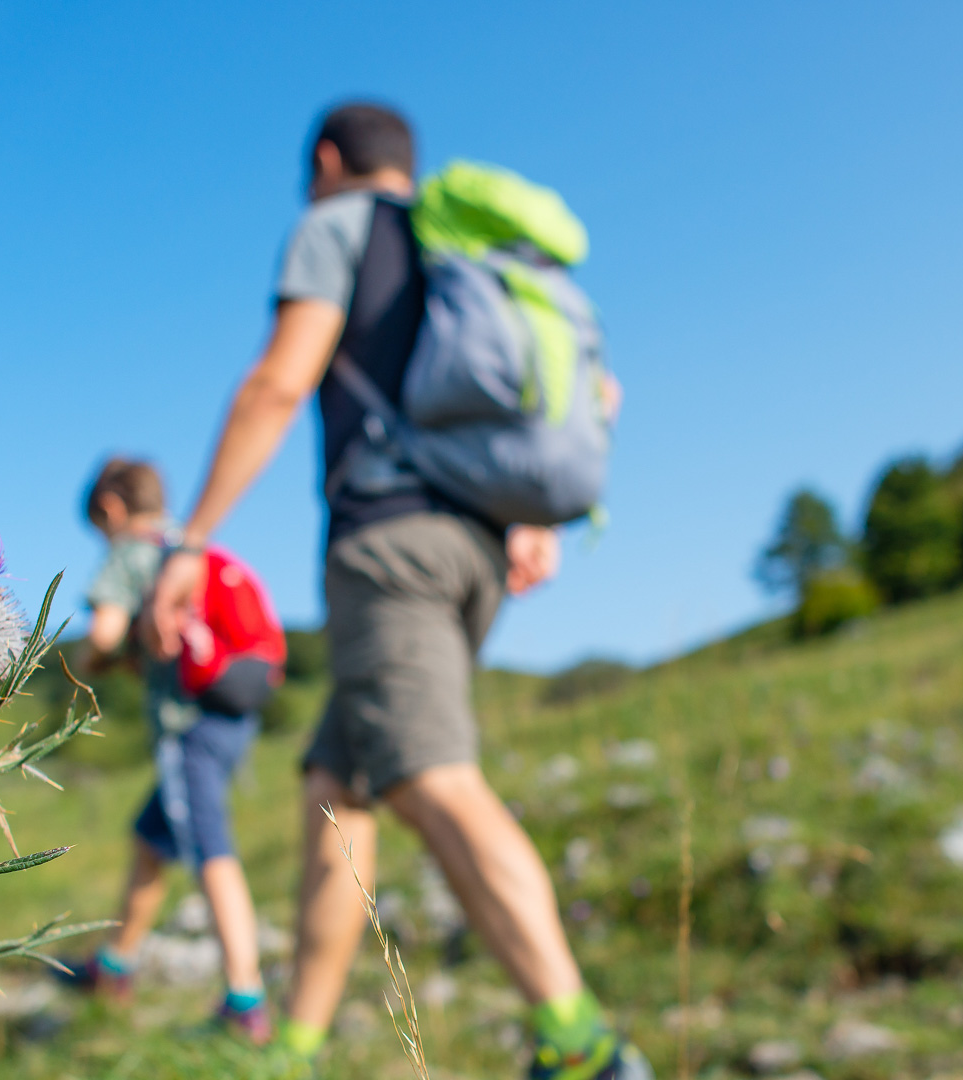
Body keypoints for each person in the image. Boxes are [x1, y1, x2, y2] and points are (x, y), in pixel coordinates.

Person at [143, 103, 647, 1079]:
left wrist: (191, 540)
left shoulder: (339, 227)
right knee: (339, 787)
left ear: (328, 161)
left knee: (427, 774)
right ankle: (296, 1042)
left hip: (391, 552)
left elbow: (281, 383)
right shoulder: (475, 259)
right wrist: (529, 517)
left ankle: (582, 1044)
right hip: (474, 555)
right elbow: (595, 396)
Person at [62, 456, 273, 1044]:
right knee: (151, 838)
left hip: (187, 724)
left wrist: (91, 660)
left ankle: (245, 1001)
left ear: (110, 509)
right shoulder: (189, 544)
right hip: (234, 713)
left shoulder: (131, 552)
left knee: (210, 846)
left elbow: (102, 636)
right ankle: (114, 966)